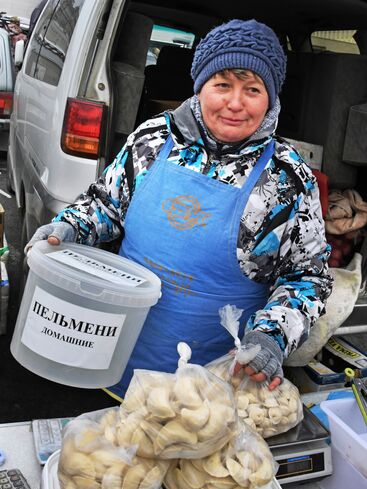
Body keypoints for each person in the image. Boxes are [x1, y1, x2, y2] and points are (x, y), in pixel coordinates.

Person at [26, 19, 333, 402]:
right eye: (222, 85)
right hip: (112, 361)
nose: (235, 103)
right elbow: (105, 204)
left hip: (210, 392)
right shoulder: (152, 138)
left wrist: (271, 337)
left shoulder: (286, 178)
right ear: (200, 86)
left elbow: (308, 277)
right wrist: (70, 226)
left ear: (270, 99)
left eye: (252, 90)